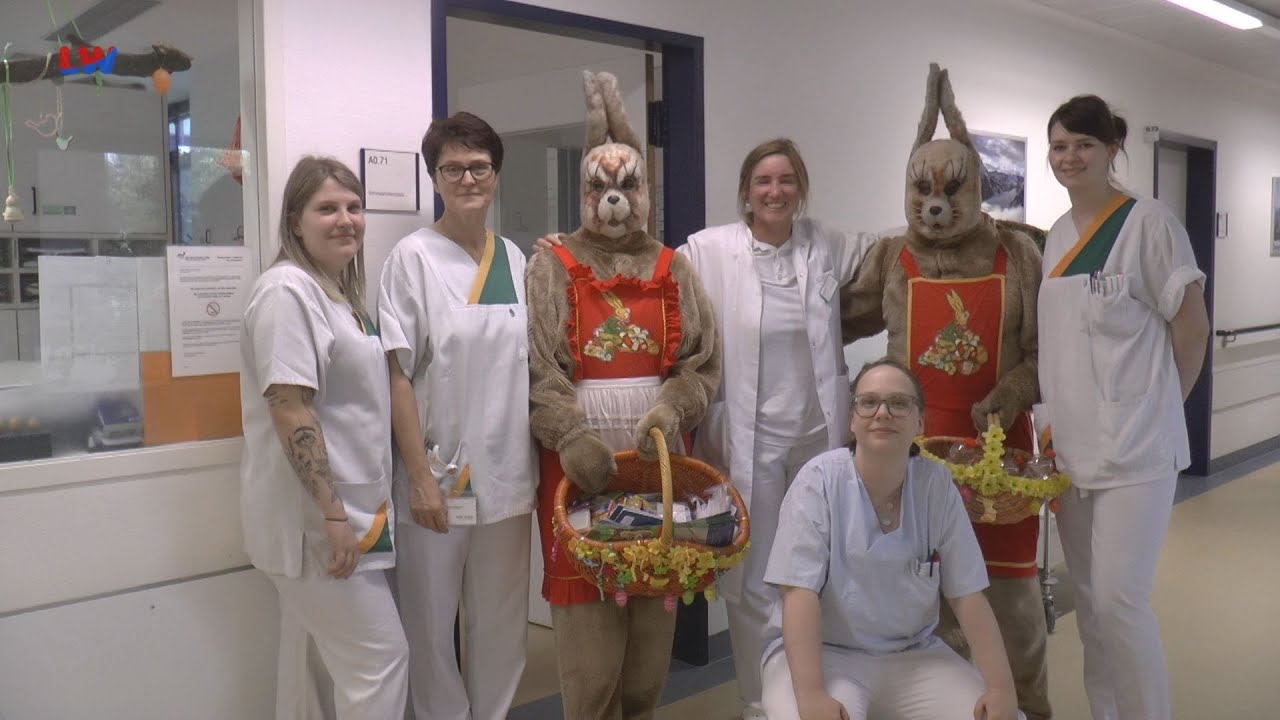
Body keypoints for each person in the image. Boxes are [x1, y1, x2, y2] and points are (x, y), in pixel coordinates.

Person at [678, 138, 880, 718]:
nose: (775, 191)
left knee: (822, 564)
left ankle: (818, 687)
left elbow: (894, 248)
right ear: (746, 191)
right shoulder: (711, 249)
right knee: (754, 577)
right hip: (751, 440)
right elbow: (647, 266)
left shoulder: (825, 243)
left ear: (801, 188)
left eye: (787, 180)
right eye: (764, 181)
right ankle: (758, 699)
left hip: (817, 436)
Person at [1037, 95, 1210, 720]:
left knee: (1119, 603)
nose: (1070, 156)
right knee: (1088, 605)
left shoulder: (1148, 222)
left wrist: (1164, 409)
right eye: (1059, 145)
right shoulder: (1057, 234)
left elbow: (1191, 329)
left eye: (1084, 143)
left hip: (1138, 452)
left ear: (1113, 148)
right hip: (1073, 456)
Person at [377, 112, 536, 720]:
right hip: (438, 477)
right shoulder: (411, 259)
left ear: (495, 175)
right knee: (429, 624)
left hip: (508, 475)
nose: (467, 177)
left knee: (501, 623)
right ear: (435, 178)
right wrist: (417, 477)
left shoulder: (517, 259)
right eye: (453, 168)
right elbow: (396, 373)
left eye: (479, 167)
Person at [239, 155, 408, 720]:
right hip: (314, 526)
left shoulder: (335, 293)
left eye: (354, 207)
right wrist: (333, 517)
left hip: (345, 515)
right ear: (294, 221)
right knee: (380, 662)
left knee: (308, 675)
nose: (346, 220)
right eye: (326, 208)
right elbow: (289, 408)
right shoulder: (288, 291)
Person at [760, 359, 1020, 720]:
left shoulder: (936, 486)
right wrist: (811, 694)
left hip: (914, 655)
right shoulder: (818, 482)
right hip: (823, 654)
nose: (883, 412)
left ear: (920, 422)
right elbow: (798, 594)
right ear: (852, 420)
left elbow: (968, 595)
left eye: (899, 403)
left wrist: (1001, 689)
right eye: (868, 402)